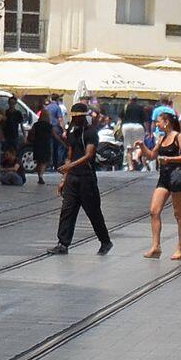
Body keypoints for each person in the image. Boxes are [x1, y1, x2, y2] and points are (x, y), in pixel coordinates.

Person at [54, 108, 111, 253]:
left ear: (83, 117)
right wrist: (63, 179)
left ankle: (105, 241)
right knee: (67, 210)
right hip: (72, 178)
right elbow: (70, 154)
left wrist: (69, 166)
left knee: (93, 212)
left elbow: (89, 155)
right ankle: (63, 243)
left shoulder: (91, 133)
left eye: (78, 117)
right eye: (74, 117)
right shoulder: (73, 133)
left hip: (87, 178)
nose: (75, 119)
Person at [146, 105, 181, 259]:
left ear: (166, 122)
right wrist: (141, 146)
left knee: (178, 213)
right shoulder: (161, 138)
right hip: (164, 178)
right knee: (154, 211)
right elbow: (152, 156)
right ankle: (156, 246)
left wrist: (169, 159)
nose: (156, 124)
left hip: (177, 177)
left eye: (158, 122)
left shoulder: (178, 137)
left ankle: (180, 248)